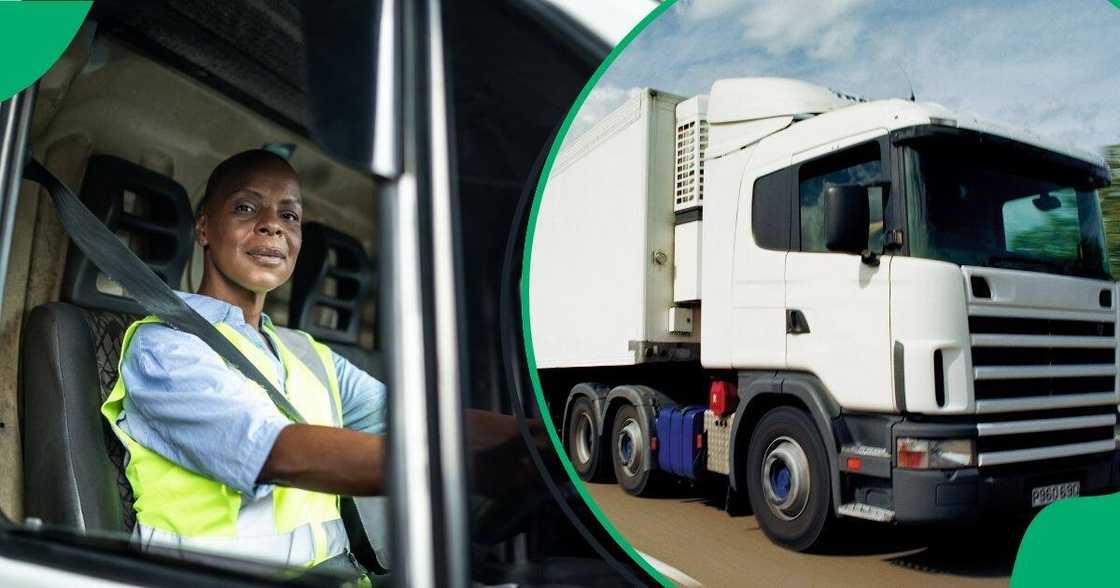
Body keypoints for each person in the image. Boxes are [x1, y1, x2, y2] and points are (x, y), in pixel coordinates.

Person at [100, 149, 385, 578]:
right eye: (246, 207)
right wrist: (449, 465)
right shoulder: (166, 348)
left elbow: (415, 420)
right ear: (203, 227)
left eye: (289, 216)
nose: (273, 224)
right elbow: (273, 451)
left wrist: (516, 440)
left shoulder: (304, 351)